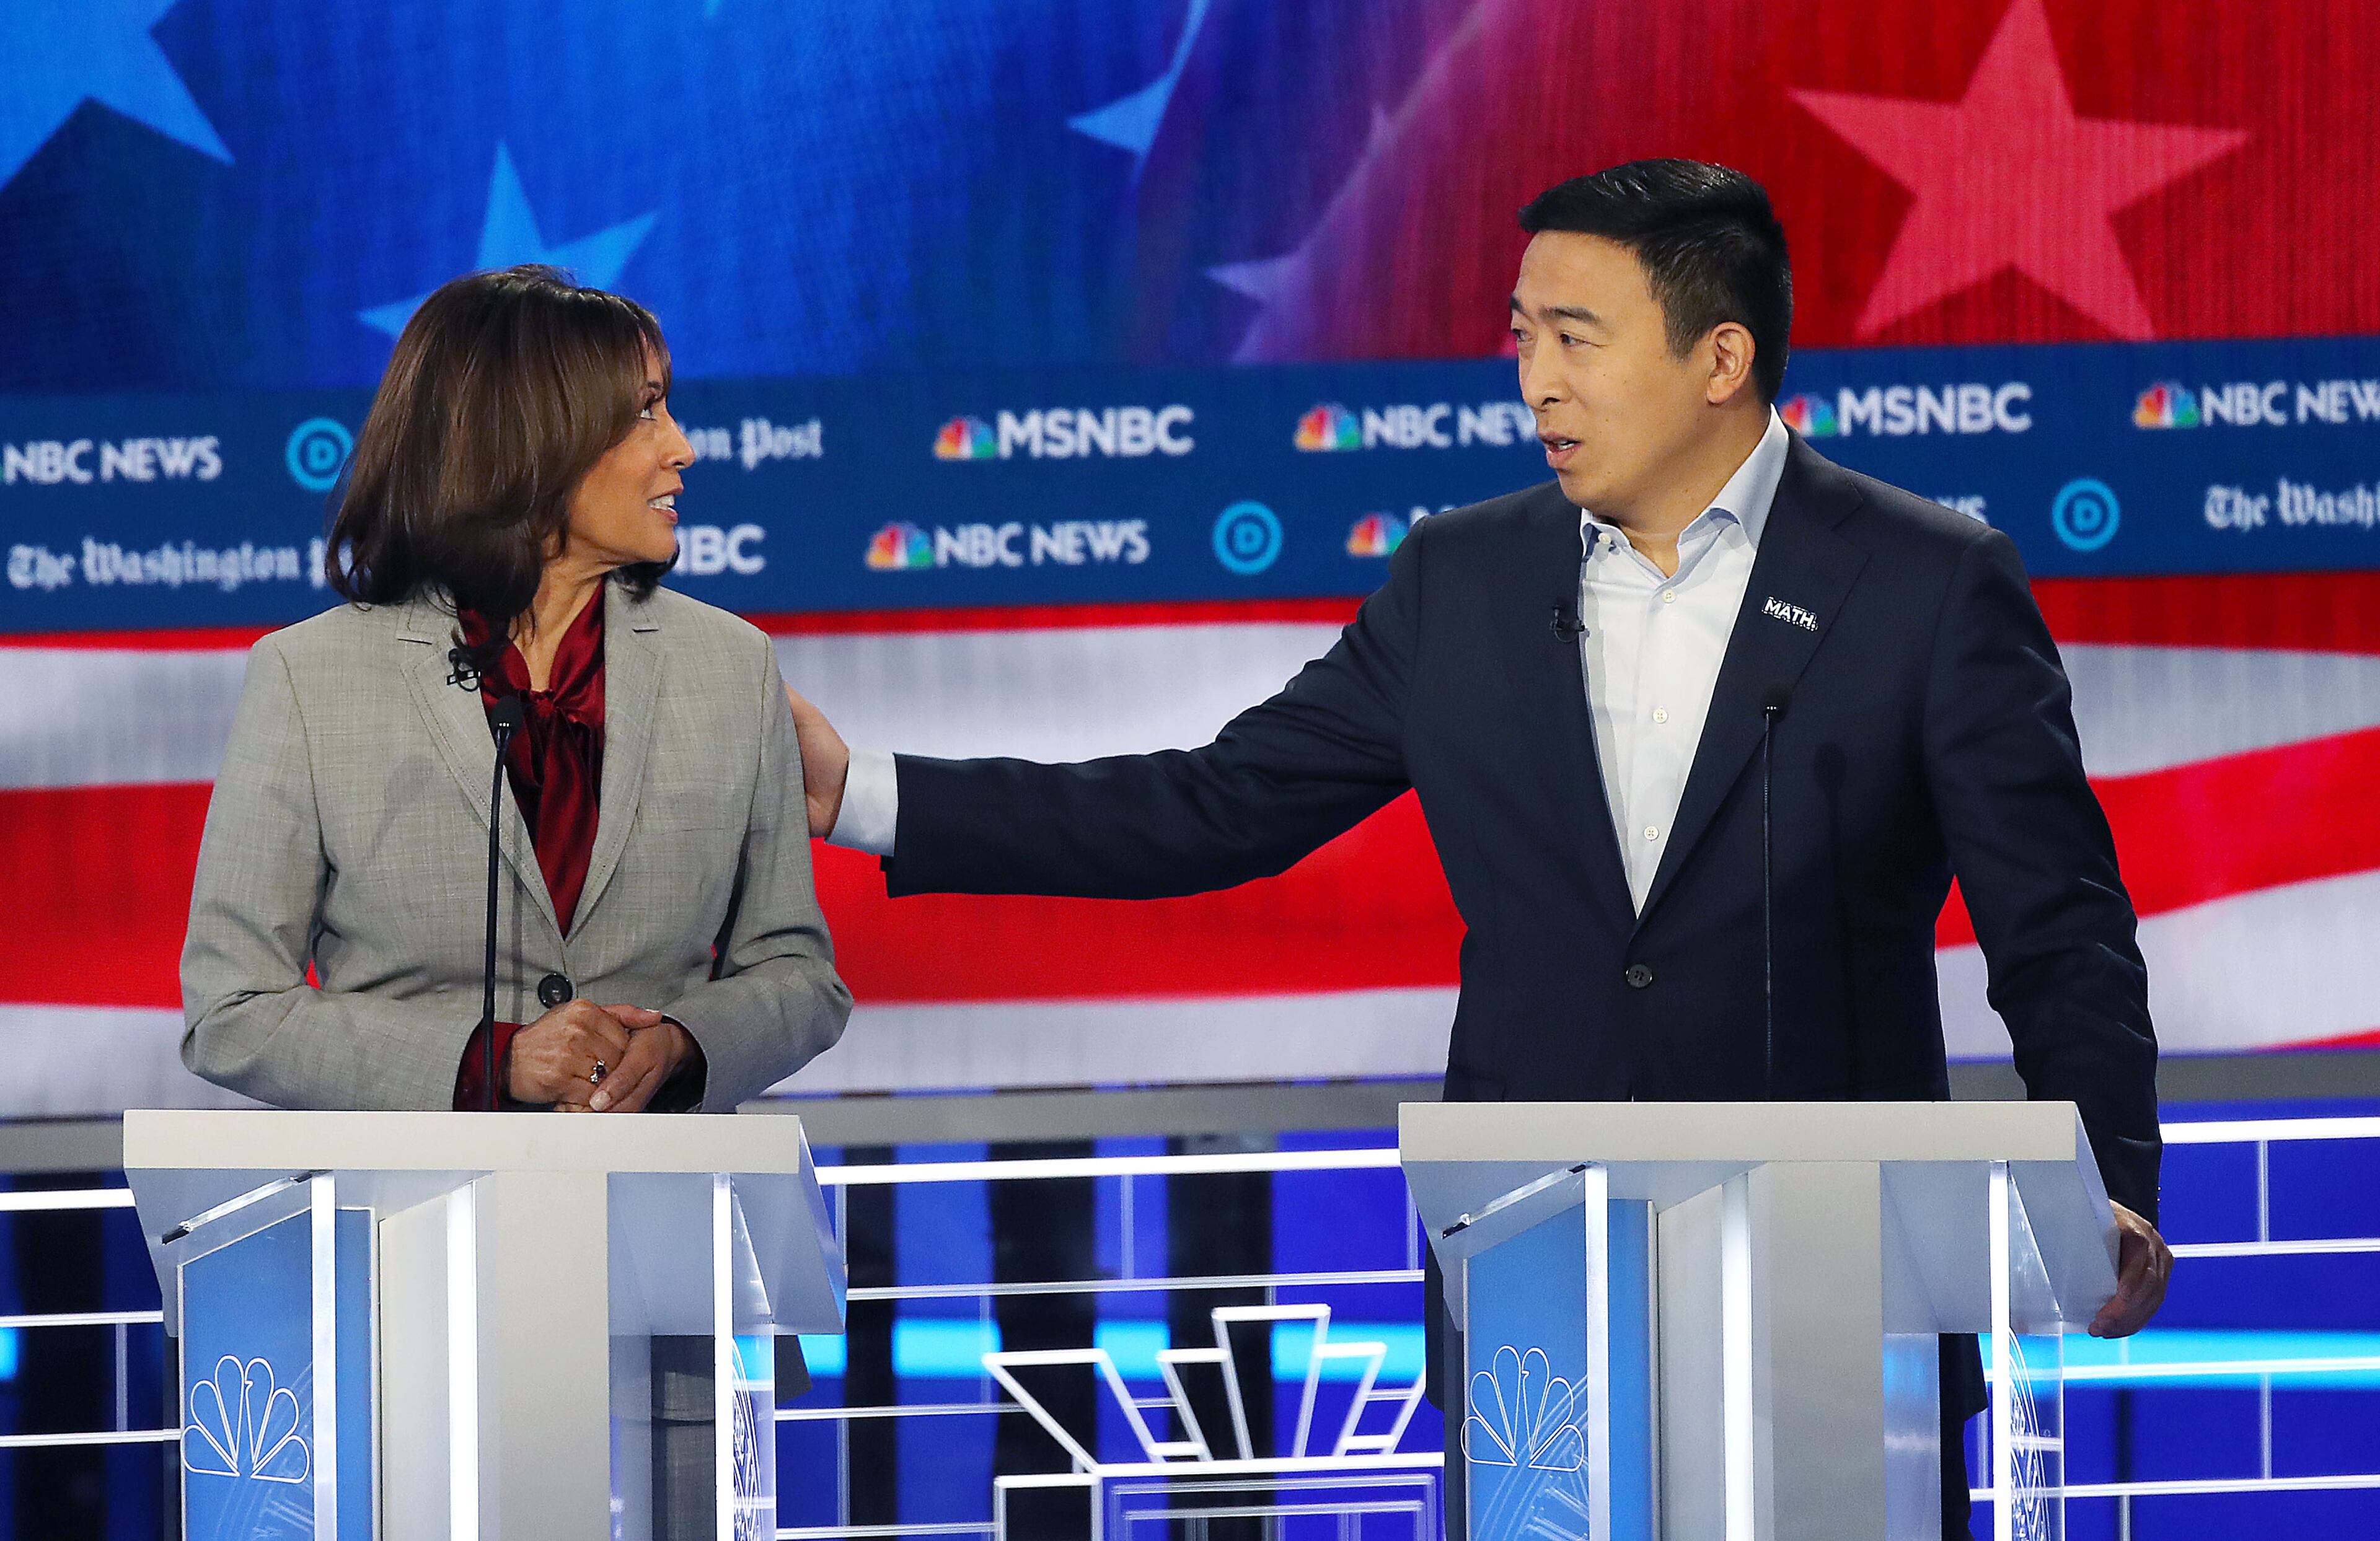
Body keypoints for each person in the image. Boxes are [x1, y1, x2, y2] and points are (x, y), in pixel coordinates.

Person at [787, 162, 2173, 1528]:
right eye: (1523, 338)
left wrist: (2110, 1185)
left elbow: (2057, 926)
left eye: (1577, 338)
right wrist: (870, 793)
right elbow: (1217, 802)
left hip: (1842, 1287)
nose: (1537, 383)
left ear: (1720, 358)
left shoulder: (1926, 582)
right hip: (1533, 1277)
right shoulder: (1463, 579)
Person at [182, 265, 849, 1114]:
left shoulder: (732, 665)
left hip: (656, 1187)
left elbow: (798, 975)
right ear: (530, 438)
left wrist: (686, 1046)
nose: (682, 447)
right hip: (424, 1191)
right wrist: (488, 1063)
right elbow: (232, 1012)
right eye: (645, 411)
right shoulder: (310, 677)